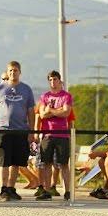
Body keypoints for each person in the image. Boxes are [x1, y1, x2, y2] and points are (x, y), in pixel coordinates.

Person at [0, 61, 35, 201]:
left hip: (21, 130)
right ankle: (3, 188)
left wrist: (31, 131)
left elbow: (31, 111)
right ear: (7, 72)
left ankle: (11, 188)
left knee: (16, 162)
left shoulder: (26, 89)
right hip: (3, 130)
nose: (13, 73)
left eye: (15, 70)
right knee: (3, 161)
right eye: (10, 70)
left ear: (19, 72)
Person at [35, 71, 73, 201]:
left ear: (59, 80)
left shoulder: (66, 96)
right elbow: (42, 115)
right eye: (50, 80)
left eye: (55, 79)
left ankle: (68, 191)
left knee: (63, 164)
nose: (53, 82)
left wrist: (50, 110)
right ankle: (46, 190)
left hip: (62, 134)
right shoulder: (44, 96)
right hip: (47, 133)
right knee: (46, 163)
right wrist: (57, 111)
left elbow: (66, 113)